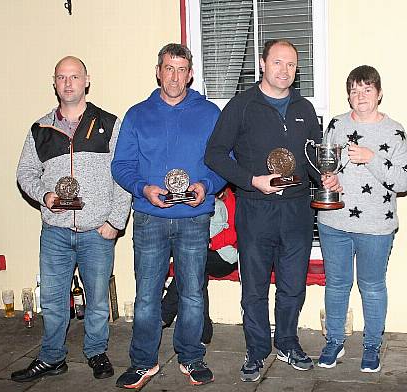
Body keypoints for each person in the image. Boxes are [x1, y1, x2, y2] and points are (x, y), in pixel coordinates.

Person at [205, 39, 341, 382]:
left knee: (293, 286)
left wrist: (326, 176)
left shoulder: (305, 109)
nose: (285, 70)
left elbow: (312, 159)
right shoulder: (241, 106)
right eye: (278, 63)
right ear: (263, 64)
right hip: (255, 211)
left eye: (292, 65)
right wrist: (251, 180)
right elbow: (215, 155)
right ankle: (256, 349)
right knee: (254, 288)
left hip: (296, 212)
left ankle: (287, 341)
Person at [111, 43, 225, 389]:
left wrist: (206, 185)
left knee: (192, 291)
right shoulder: (136, 114)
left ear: (190, 74)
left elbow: (224, 160)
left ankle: (191, 357)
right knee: (147, 294)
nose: (174, 76)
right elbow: (122, 165)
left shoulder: (209, 114)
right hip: (149, 217)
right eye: (168, 68)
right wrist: (143, 189)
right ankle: (143, 361)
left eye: (181, 69)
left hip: (194, 217)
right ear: (158, 71)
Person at [13, 56, 131, 382]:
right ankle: (52, 357)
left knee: (96, 302)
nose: (68, 83)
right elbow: (24, 173)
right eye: (62, 77)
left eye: (74, 76)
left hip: (97, 230)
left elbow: (123, 175)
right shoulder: (40, 129)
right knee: (52, 300)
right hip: (55, 232)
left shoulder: (109, 123)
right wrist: (45, 196)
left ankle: (96, 352)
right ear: (54, 83)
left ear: (86, 80)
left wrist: (115, 222)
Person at [316, 65, 407, 372]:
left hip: (376, 225)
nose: (360, 96)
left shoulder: (395, 131)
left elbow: (404, 182)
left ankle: (372, 345)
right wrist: (327, 180)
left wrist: (372, 158)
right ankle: (334, 341)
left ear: (379, 93)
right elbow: (325, 166)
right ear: (348, 95)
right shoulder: (335, 124)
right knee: (336, 285)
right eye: (355, 90)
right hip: (333, 221)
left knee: (371, 286)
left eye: (367, 90)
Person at [161, 186, 239, 345]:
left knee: (190, 262)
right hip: (205, 254)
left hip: (226, 257)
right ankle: (203, 332)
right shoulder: (201, 198)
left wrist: (203, 241)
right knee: (196, 273)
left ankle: (163, 314)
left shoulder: (230, 201)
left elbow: (230, 236)